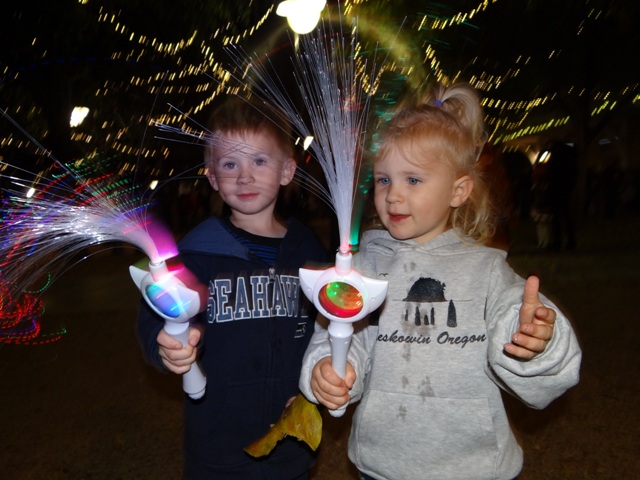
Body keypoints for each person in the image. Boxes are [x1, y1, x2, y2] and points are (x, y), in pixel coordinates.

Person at [299, 82, 582, 480]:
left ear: (458, 190)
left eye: (413, 180)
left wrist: (537, 340)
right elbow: (339, 337)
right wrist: (328, 369)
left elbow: (520, 330)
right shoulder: (361, 268)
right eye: (383, 180)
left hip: (475, 466)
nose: (393, 195)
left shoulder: (485, 269)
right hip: (383, 466)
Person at [136, 94, 327, 479]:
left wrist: (316, 375)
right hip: (218, 443)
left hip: (290, 442)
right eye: (229, 163)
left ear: (287, 170)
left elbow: (325, 326)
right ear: (211, 177)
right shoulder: (194, 253)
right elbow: (156, 314)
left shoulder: (308, 251)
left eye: (259, 160)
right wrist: (165, 344)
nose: (244, 176)